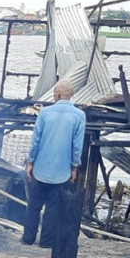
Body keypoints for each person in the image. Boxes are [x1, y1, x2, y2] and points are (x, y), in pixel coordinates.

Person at [22, 80, 86, 249]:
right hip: (61, 171)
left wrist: (30, 162)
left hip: (41, 168)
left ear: (57, 94)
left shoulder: (45, 113)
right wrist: (74, 167)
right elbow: (77, 145)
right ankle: (46, 242)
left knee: (33, 205)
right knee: (53, 208)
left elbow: (35, 140)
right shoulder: (79, 115)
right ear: (70, 95)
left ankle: (28, 238)